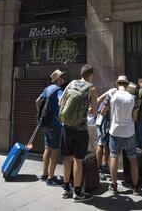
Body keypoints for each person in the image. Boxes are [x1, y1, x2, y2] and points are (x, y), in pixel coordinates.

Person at [59, 64, 98, 202]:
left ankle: (65, 189)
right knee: (78, 161)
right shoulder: (92, 89)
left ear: (81, 73)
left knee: (66, 159)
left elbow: (60, 101)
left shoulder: (71, 83)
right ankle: (77, 192)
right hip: (80, 129)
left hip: (66, 127)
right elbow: (94, 112)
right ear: (91, 75)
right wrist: (85, 111)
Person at [103, 76, 140, 195]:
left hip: (114, 131)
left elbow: (102, 111)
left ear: (118, 83)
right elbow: (134, 117)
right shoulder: (133, 97)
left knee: (113, 156)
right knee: (133, 158)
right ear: (126, 84)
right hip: (129, 131)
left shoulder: (111, 95)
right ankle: (135, 187)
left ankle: (114, 186)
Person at [36, 69, 66, 186]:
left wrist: (40, 115)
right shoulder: (59, 90)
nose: (64, 78)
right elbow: (61, 101)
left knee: (47, 148)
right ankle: (51, 178)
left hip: (45, 124)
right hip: (55, 125)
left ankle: (44, 174)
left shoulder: (47, 89)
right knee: (54, 151)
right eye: (63, 77)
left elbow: (37, 101)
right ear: (58, 79)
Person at [95, 88, 118, 180]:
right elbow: (102, 111)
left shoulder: (114, 95)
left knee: (106, 145)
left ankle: (104, 166)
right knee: (101, 144)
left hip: (107, 123)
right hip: (103, 122)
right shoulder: (111, 96)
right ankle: (98, 168)